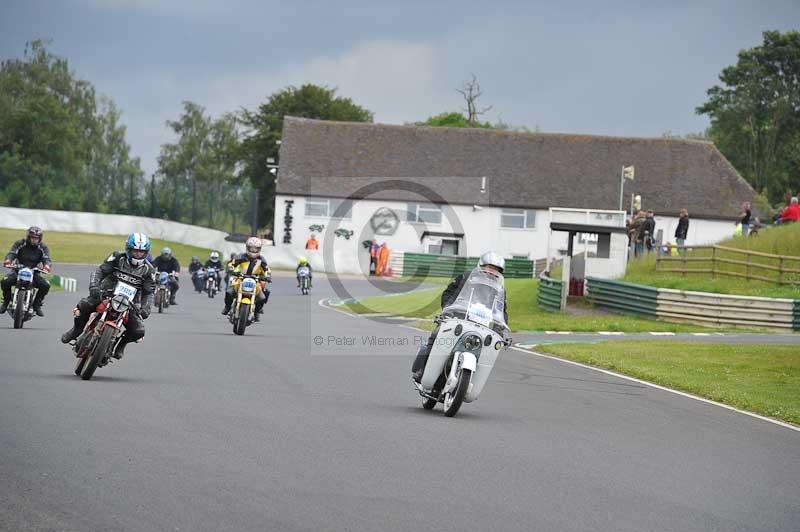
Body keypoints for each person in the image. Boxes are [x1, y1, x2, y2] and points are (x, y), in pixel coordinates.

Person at [412, 252, 508, 383]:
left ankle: (470, 380)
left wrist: (501, 327)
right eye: (489, 267)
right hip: (458, 317)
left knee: (486, 350)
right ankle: (422, 370)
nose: (491, 271)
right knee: (437, 335)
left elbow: (501, 310)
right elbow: (448, 293)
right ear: (481, 266)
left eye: (495, 269)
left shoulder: (499, 289)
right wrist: (448, 309)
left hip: (482, 324)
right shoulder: (466, 277)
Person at [60, 233, 155, 359]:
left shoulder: (149, 270)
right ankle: (76, 330)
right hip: (107, 292)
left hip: (130, 302)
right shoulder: (117, 257)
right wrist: (94, 286)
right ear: (128, 249)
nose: (138, 254)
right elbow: (99, 271)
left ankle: (121, 344)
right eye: (135, 251)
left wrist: (146, 309)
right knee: (84, 305)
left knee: (139, 330)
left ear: (146, 252)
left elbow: (149, 292)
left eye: (141, 252)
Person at [1, 226, 52, 316]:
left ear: (39, 239)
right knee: (5, 281)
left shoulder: (43, 247)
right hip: (18, 270)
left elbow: (46, 258)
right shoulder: (20, 243)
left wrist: (47, 266)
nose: (34, 240)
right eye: (32, 238)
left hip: (34, 272)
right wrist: (8, 260)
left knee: (46, 285)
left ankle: (37, 305)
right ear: (28, 237)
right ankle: (6, 302)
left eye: (36, 238)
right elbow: (12, 253)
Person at [222, 237, 271, 322]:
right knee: (229, 292)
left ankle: (256, 312)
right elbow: (232, 263)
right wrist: (230, 269)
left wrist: (267, 276)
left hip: (255, 280)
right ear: (247, 247)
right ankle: (227, 307)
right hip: (240, 278)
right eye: (252, 248)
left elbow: (267, 269)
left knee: (263, 297)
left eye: (256, 248)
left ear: (259, 249)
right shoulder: (241, 256)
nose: (254, 250)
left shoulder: (262, 260)